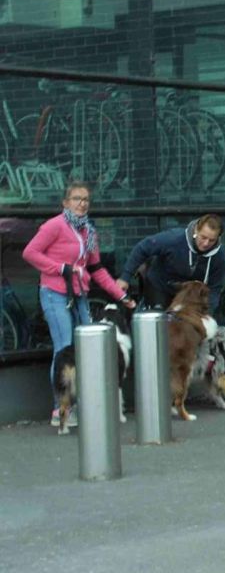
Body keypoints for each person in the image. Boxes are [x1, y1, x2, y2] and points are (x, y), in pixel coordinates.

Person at [22, 181, 136, 427]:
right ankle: (60, 409)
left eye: (85, 199)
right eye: (76, 199)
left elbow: (95, 268)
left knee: (90, 346)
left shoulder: (89, 231)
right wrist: (60, 268)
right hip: (55, 293)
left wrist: (121, 296)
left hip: (79, 294)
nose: (81, 203)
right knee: (64, 348)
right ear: (65, 203)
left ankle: (89, 402)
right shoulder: (54, 226)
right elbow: (30, 253)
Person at [116, 214, 225, 312]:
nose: (205, 243)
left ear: (218, 238)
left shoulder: (219, 256)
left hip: (189, 295)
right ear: (196, 231)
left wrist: (209, 312)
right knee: (160, 323)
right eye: (203, 237)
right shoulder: (173, 239)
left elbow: (215, 288)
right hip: (160, 286)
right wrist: (125, 277)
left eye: (211, 240)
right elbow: (142, 248)